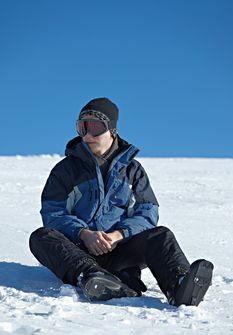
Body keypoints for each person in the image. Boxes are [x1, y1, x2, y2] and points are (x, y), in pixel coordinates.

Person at [29, 97, 213, 306]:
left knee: (161, 235)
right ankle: (94, 278)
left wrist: (118, 235)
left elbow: (147, 211)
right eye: (82, 127)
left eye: (95, 127)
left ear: (112, 130)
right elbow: (53, 213)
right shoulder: (65, 170)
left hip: (120, 250)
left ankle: (179, 284)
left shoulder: (133, 171)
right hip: (77, 251)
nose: (87, 135)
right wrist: (85, 234)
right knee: (40, 237)